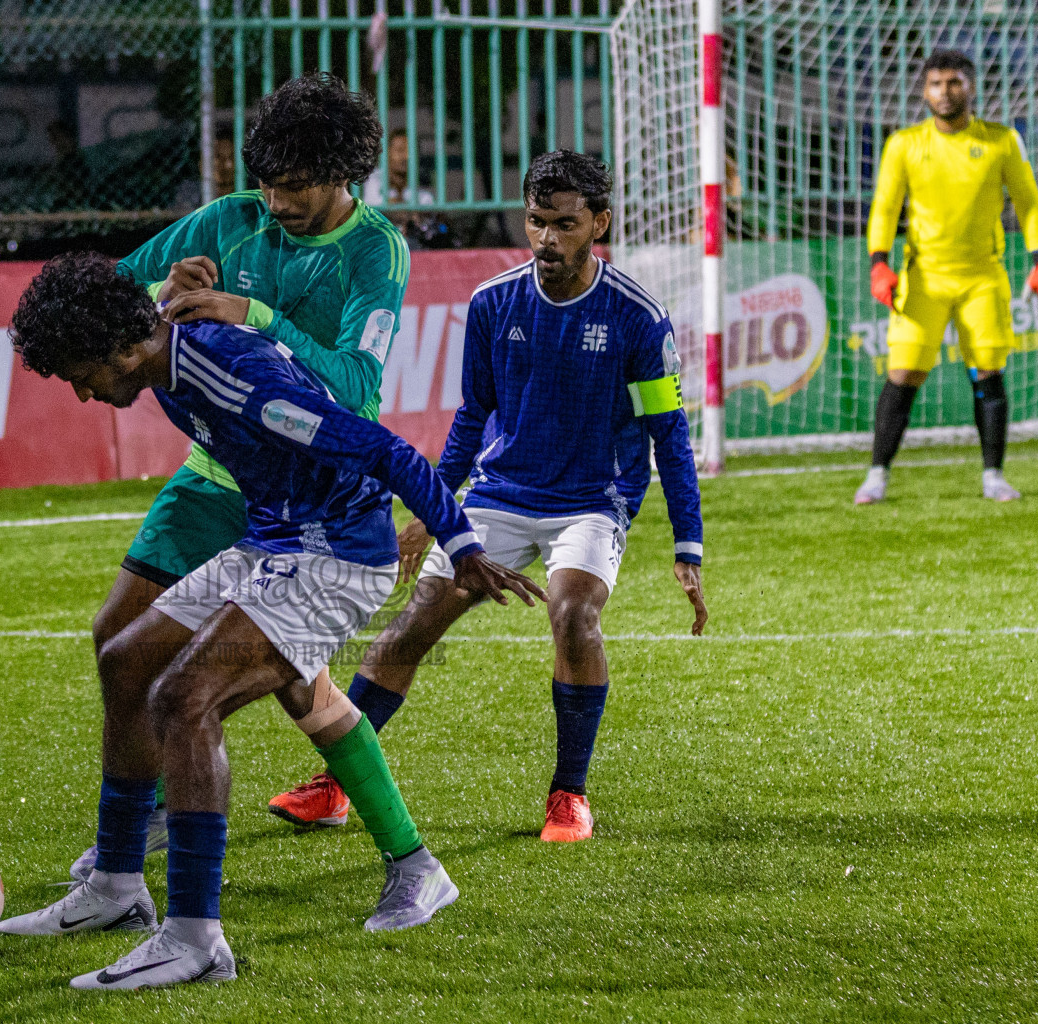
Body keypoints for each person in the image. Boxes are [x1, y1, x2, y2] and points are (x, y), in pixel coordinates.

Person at [0, 253, 545, 989]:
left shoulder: (237, 378)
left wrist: (463, 543)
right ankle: (118, 887)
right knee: (127, 659)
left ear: (123, 350)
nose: (83, 393)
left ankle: (194, 939)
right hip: (273, 541)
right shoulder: (166, 357)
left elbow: (380, 447)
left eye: (78, 373)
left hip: (339, 552)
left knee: (183, 698)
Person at [268, 151, 708, 843]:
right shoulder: (492, 303)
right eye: (536, 222)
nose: (547, 240)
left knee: (574, 616)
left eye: (565, 224)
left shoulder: (637, 319)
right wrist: (436, 508)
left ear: (600, 223)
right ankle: (338, 785)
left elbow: (668, 432)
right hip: (498, 495)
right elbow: (474, 416)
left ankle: (569, 795)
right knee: (413, 626)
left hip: (591, 503)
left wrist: (689, 544)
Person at [61, 71, 410, 882]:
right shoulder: (228, 221)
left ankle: (408, 855)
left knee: (299, 689)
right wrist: (164, 288)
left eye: (295, 187)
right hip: (212, 477)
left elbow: (356, 389)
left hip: (303, 497)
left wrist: (253, 315)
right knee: (118, 641)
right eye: (266, 181)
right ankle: (139, 828)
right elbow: (109, 298)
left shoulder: (374, 251)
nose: (277, 201)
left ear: (342, 174)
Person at [855, 50, 1038, 505]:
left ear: (971, 87)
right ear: (923, 91)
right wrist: (879, 262)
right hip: (923, 276)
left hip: (983, 277)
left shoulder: (1003, 141)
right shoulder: (904, 144)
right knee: (902, 372)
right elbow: (886, 207)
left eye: (954, 82)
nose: (945, 92)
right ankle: (876, 475)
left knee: (989, 370)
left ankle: (993, 477)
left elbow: (1028, 204)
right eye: (935, 84)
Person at [361, 130, 447, 248]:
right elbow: (374, 207)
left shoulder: (421, 186)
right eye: (400, 150)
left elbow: (430, 211)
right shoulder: (374, 178)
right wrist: (410, 212)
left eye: (410, 151)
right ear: (387, 153)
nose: (406, 156)